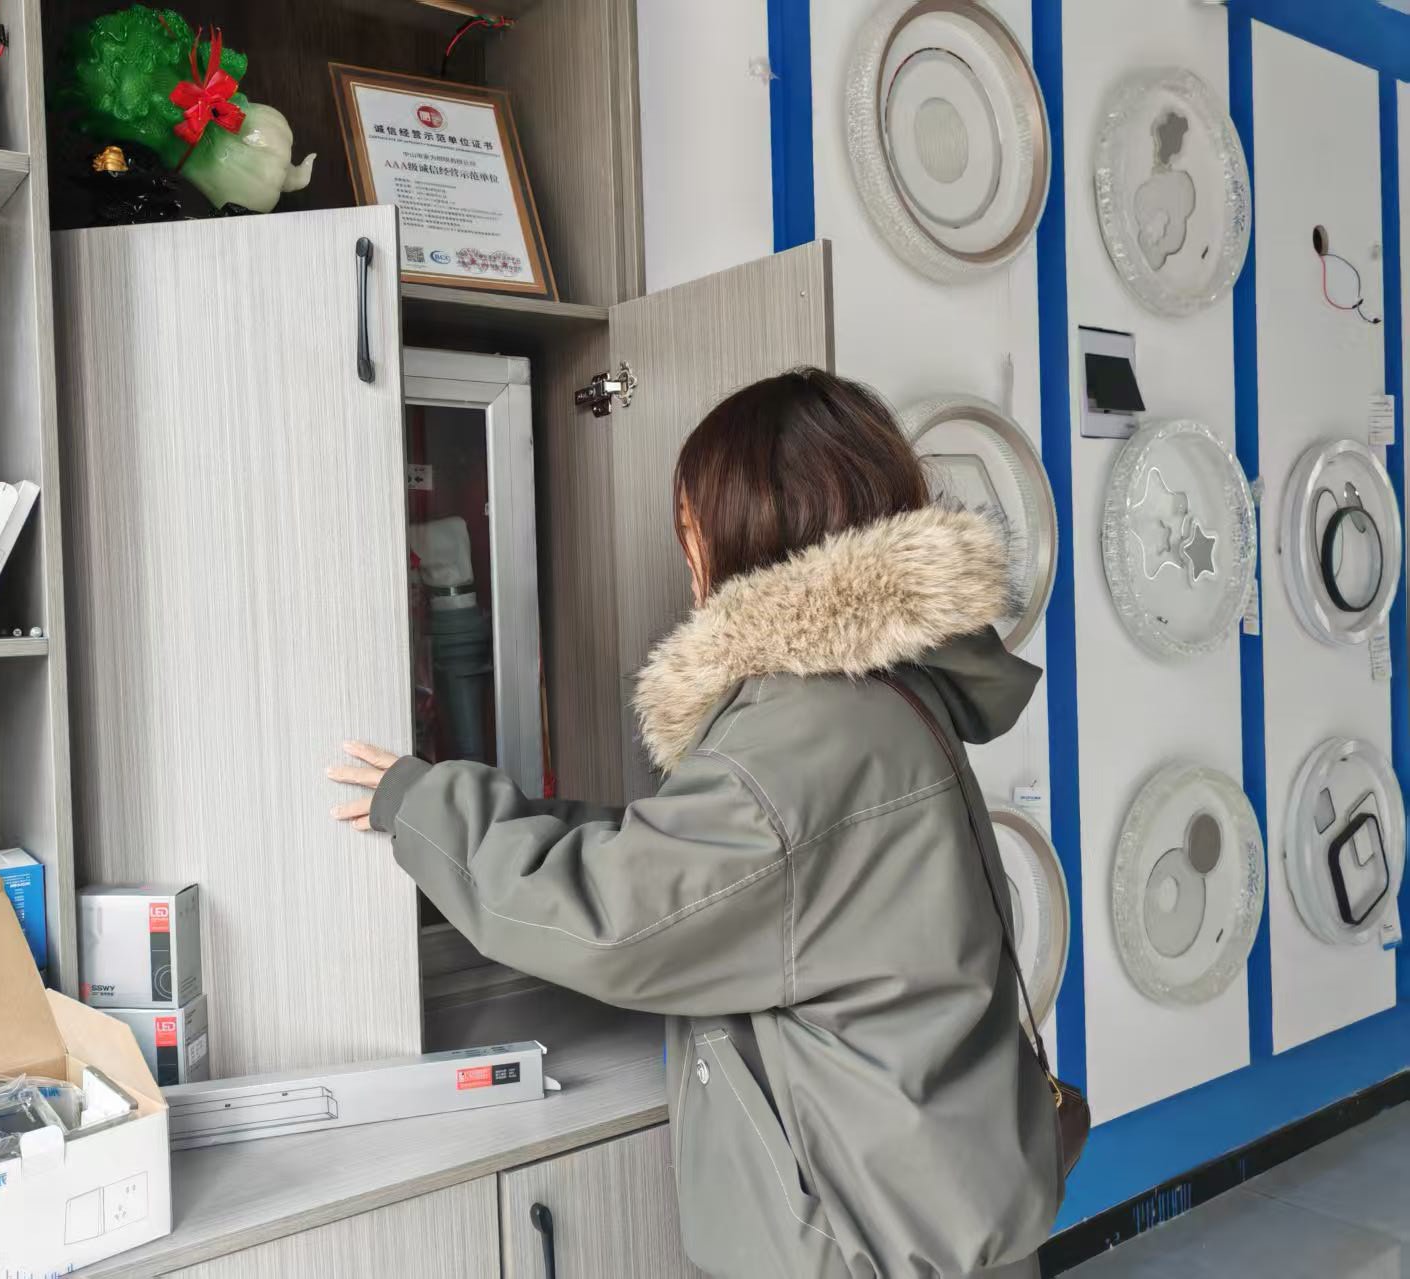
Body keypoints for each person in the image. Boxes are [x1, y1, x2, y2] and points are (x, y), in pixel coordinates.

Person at [327, 368, 1062, 1278]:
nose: (689, 567)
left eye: (692, 532)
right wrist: (541, 816)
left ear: (753, 530)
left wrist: (417, 803)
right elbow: (710, 854)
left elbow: (613, 918)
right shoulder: (885, 694)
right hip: (946, 1203)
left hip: (867, 1246)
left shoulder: (803, 733)